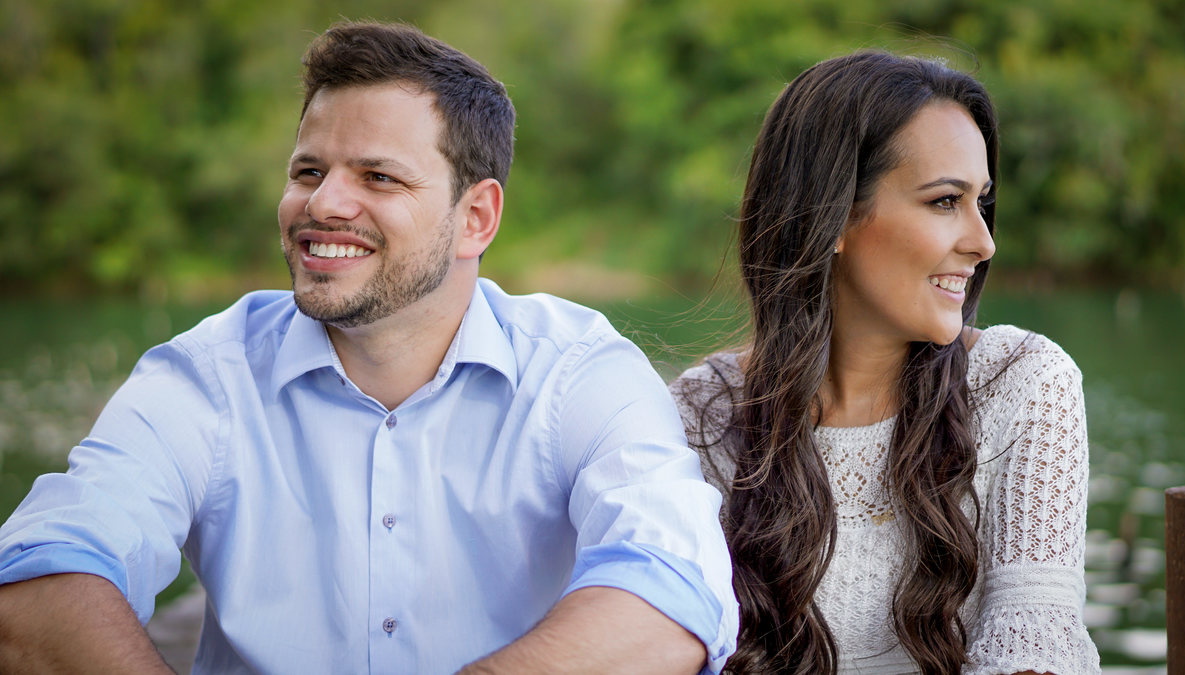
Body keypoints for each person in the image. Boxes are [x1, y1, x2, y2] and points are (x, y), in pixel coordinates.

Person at [0, 21, 737, 674]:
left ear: (475, 217)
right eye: (308, 171)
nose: (322, 204)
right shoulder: (205, 376)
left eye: (377, 176)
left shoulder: (579, 373)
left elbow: (671, 584)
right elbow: (41, 577)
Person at [670, 52, 1101, 674]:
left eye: (983, 201)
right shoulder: (701, 418)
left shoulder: (1022, 384)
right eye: (945, 201)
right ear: (834, 215)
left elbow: (1034, 637)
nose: (984, 242)